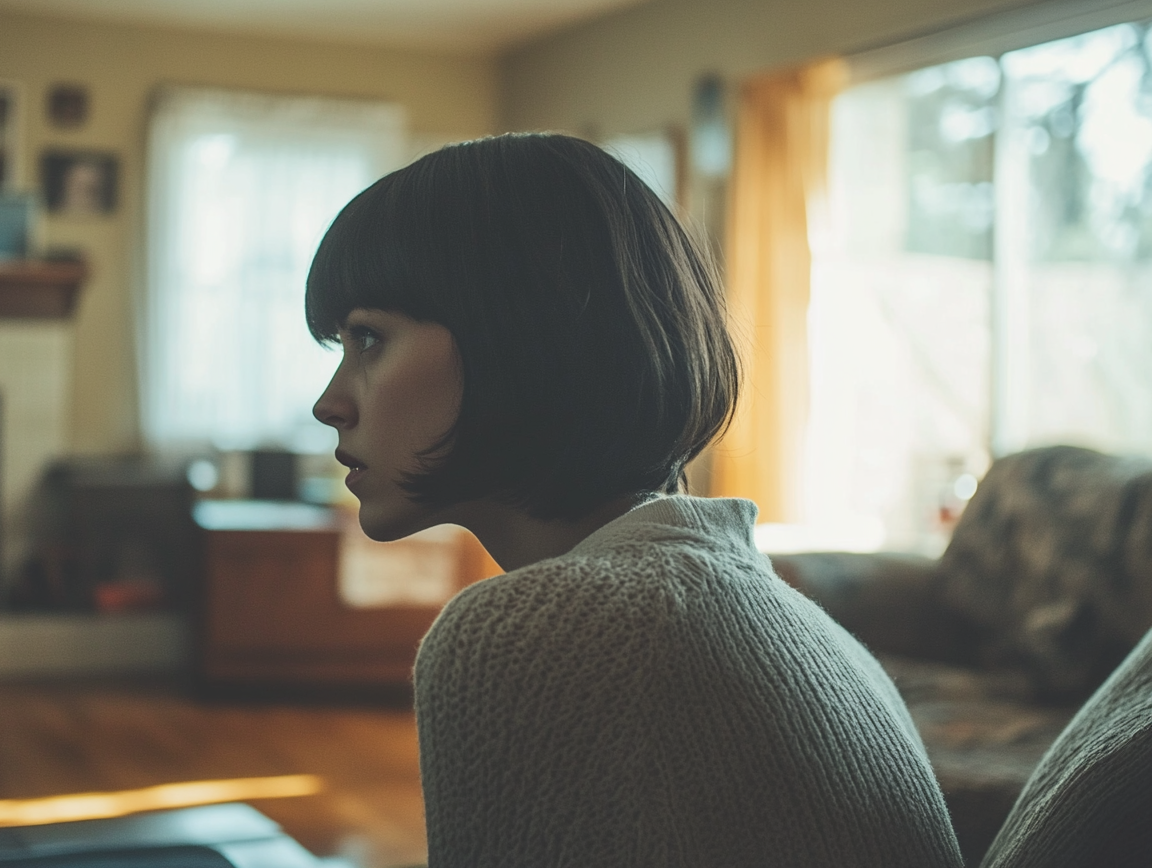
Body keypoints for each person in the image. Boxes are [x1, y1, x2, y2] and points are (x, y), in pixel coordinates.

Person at [306, 133, 962, 867]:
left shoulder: (531, 636)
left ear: (519, 339)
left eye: (369, 339)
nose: (328, 403)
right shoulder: (788, 616)